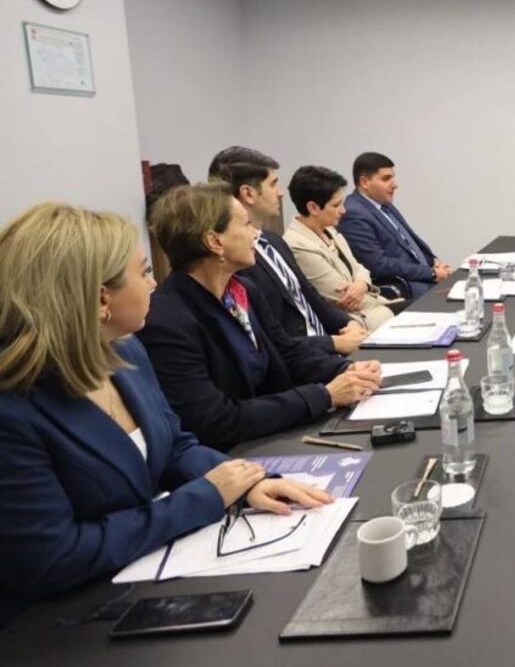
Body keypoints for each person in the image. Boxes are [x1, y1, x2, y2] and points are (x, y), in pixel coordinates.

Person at [0, 202, 331, 627]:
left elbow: (174, 445)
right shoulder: (14, 408)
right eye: (143, 273)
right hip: (56, 627)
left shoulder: (125, 350)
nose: (156, 283)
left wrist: (247, 482)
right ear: (102, 298)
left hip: (139, 579)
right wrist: (206, 497)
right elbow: (54, 557)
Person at [138, 182, 382, 451]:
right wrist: (325, 396)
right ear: (214, 241)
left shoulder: (244, 290)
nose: (256, 233)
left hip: (276, 434)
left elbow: (287, 352)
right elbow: (216, 421)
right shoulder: (168, 321)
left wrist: (346, 370)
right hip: (236, 456)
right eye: (245, 225)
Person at [208, 146, 367, 356]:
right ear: (248, 193)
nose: (281, 193)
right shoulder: (236, 261)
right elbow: (274, 339)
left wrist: (349, 324)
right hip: (304, 362)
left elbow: (311, 299)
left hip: (328, 350)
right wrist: (334, 344)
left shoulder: (273, 241)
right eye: (273, 184)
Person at [284, 165, 400, 331]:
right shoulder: (297, 245)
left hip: (373, 307)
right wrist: (390, 305)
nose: (343, 210)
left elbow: (360, 268)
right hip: (353, 321)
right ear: (313, 208)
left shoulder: (330, 230)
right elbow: (343, 297)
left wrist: (362, 284)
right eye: (336, 205)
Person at [338, 151, 449, 299]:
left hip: (421, 276)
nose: (395, 185)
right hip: (403, 284)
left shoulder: (383, 204)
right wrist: (431, 273)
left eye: (393, 177)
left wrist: (434, 262)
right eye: (386, 179)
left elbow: (410, 242)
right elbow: (378, 265)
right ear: (365, 182)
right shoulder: (353, 214)